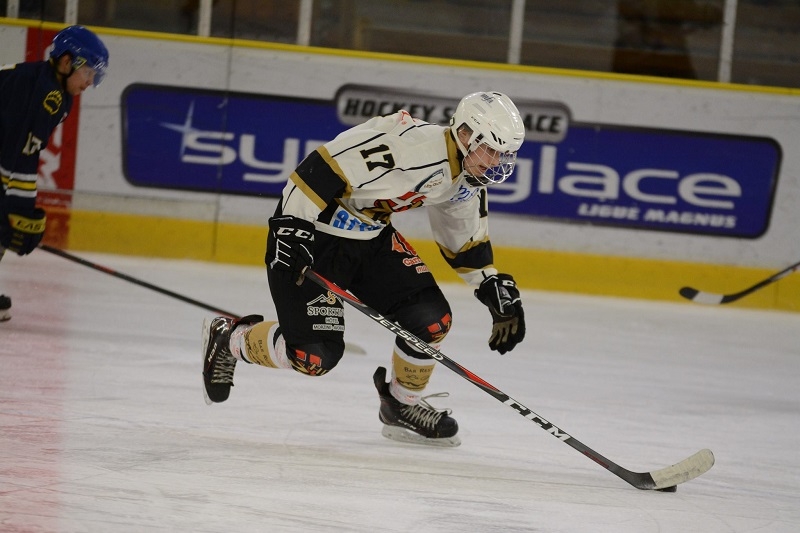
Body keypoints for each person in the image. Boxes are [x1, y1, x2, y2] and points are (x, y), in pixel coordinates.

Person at [202, 91, 527, 447]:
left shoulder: (465, 177)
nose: (497, 161)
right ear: (465, 134)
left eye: (504, 153)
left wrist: (488, 282)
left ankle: (401, 407)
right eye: (491, 149)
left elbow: (463, 237)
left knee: (430, 321)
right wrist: (291, 226)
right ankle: (229, 338)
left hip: (370, 239)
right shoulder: (408, 147)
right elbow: (320, 169)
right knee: (314, 357)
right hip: (313, 240)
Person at [0, 25, 109, 322]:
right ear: (65, 62)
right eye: (87, 72)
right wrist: (16, 207)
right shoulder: (44, 94)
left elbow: (19, 150)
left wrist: (13, 206)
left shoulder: (57, 92)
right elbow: (19, 155)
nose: (89, 81)